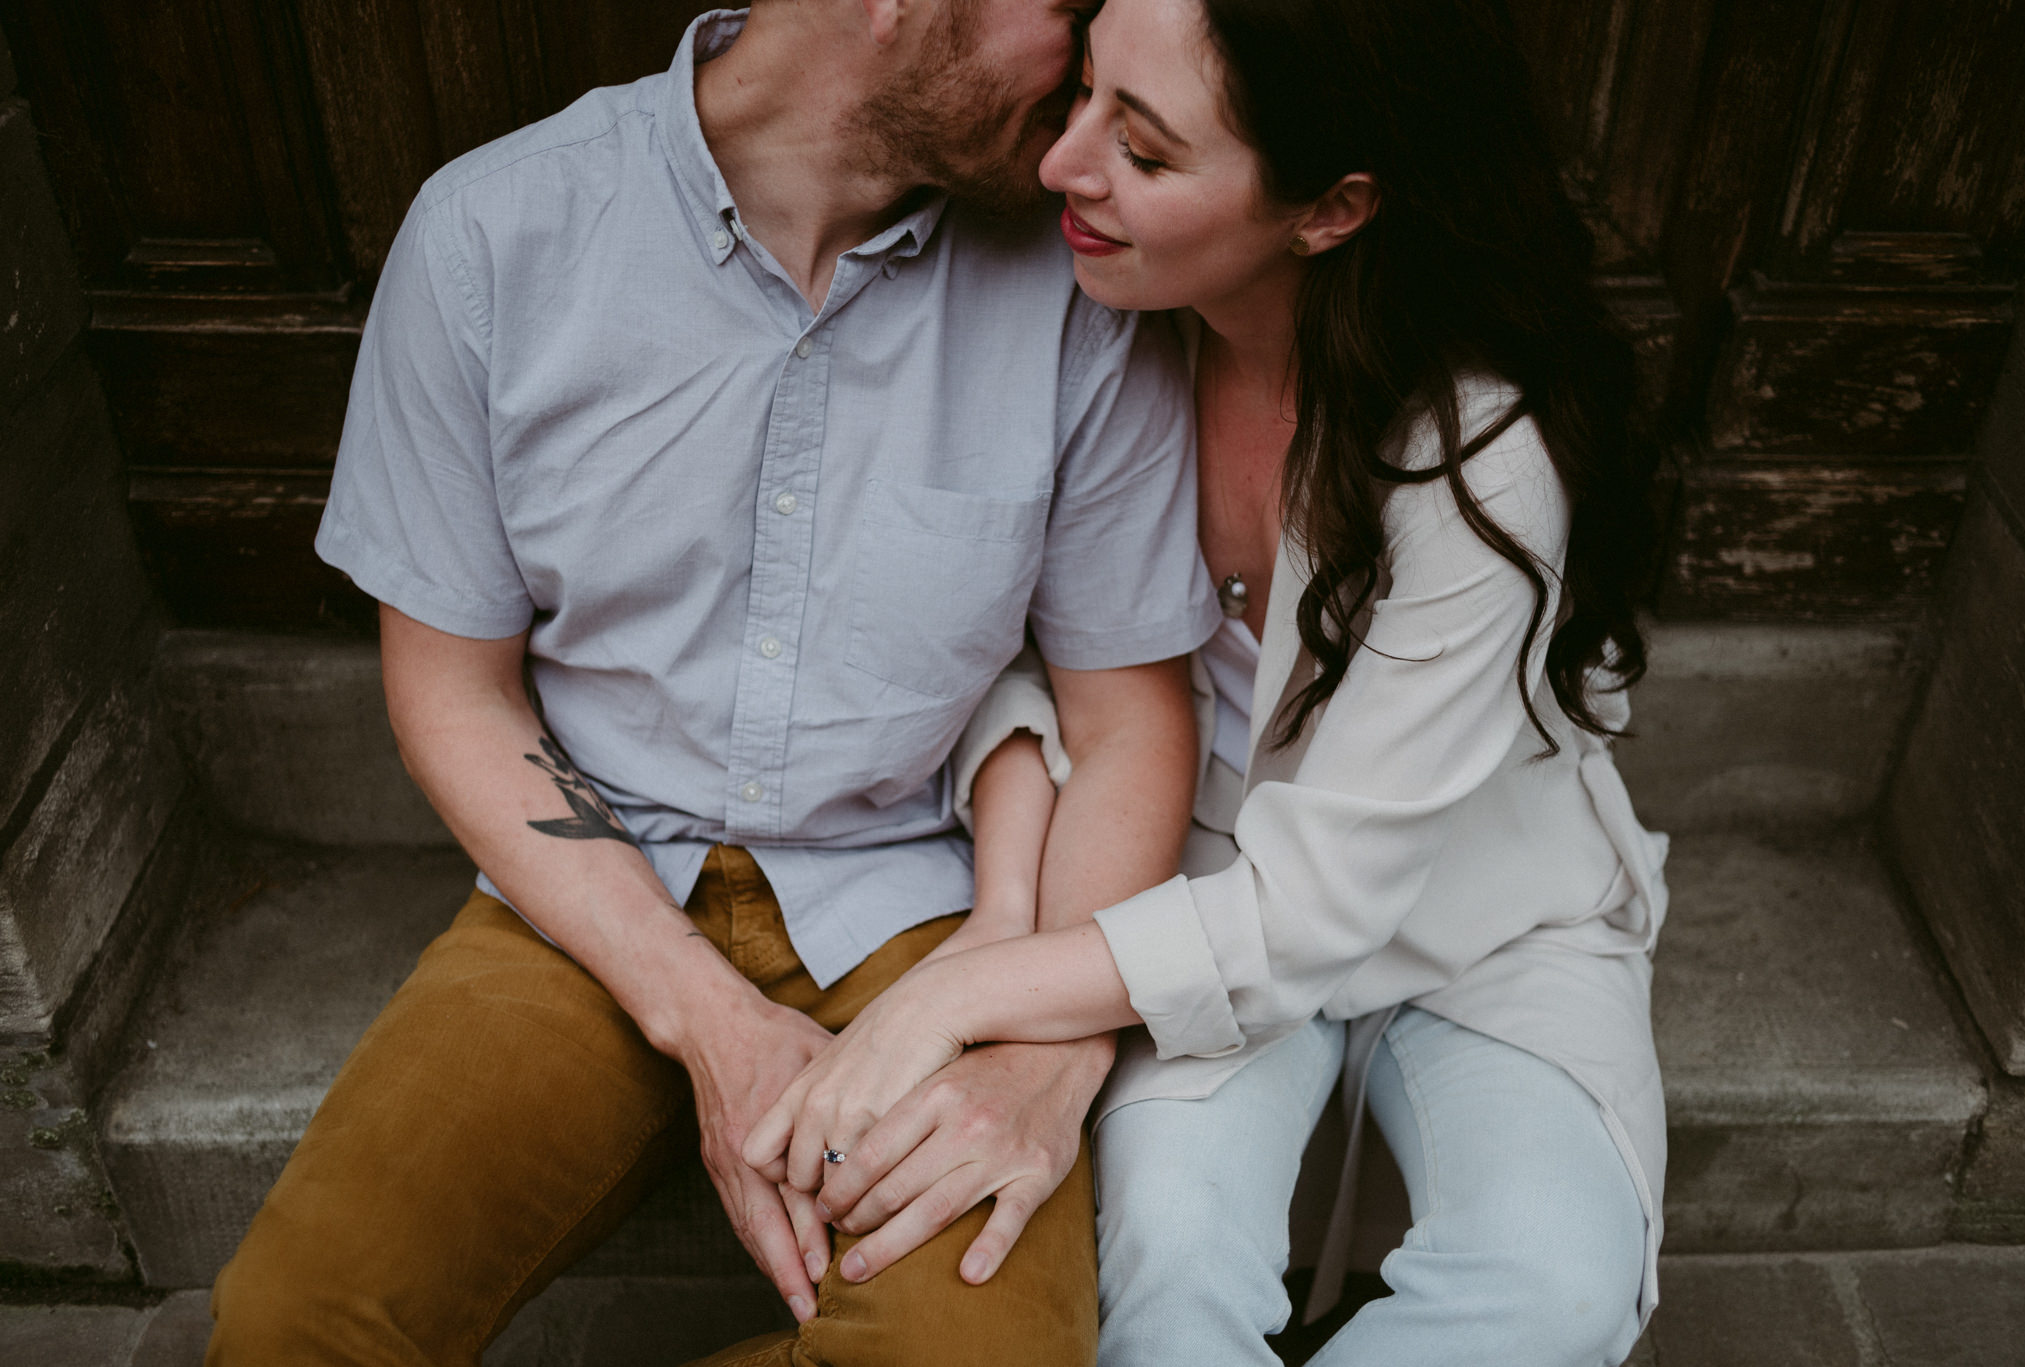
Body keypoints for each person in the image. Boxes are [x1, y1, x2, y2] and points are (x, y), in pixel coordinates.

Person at [203, 3, 1222, 1365]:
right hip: (591, 894)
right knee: (292, 1332)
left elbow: (1130, 721)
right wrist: (704, 1015)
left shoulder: (1081, 284)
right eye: (1063, 14)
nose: (1087, 83)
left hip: (930, 910)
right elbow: (454, 693)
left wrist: (1054, 1038)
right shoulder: (492, 240)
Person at [746, 0, 1671, 1363]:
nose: (1063, 167)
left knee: (1553, 1289)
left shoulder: (1475, 456)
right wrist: (1006, 906)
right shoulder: (1096, 323)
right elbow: (978, 644)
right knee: (1167, 1284)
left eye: (1145, 150)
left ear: (1332, 208)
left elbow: (1316, 911)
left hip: (1482, 912)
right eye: (1082, 101)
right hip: (1169, 882)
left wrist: (952, 996)